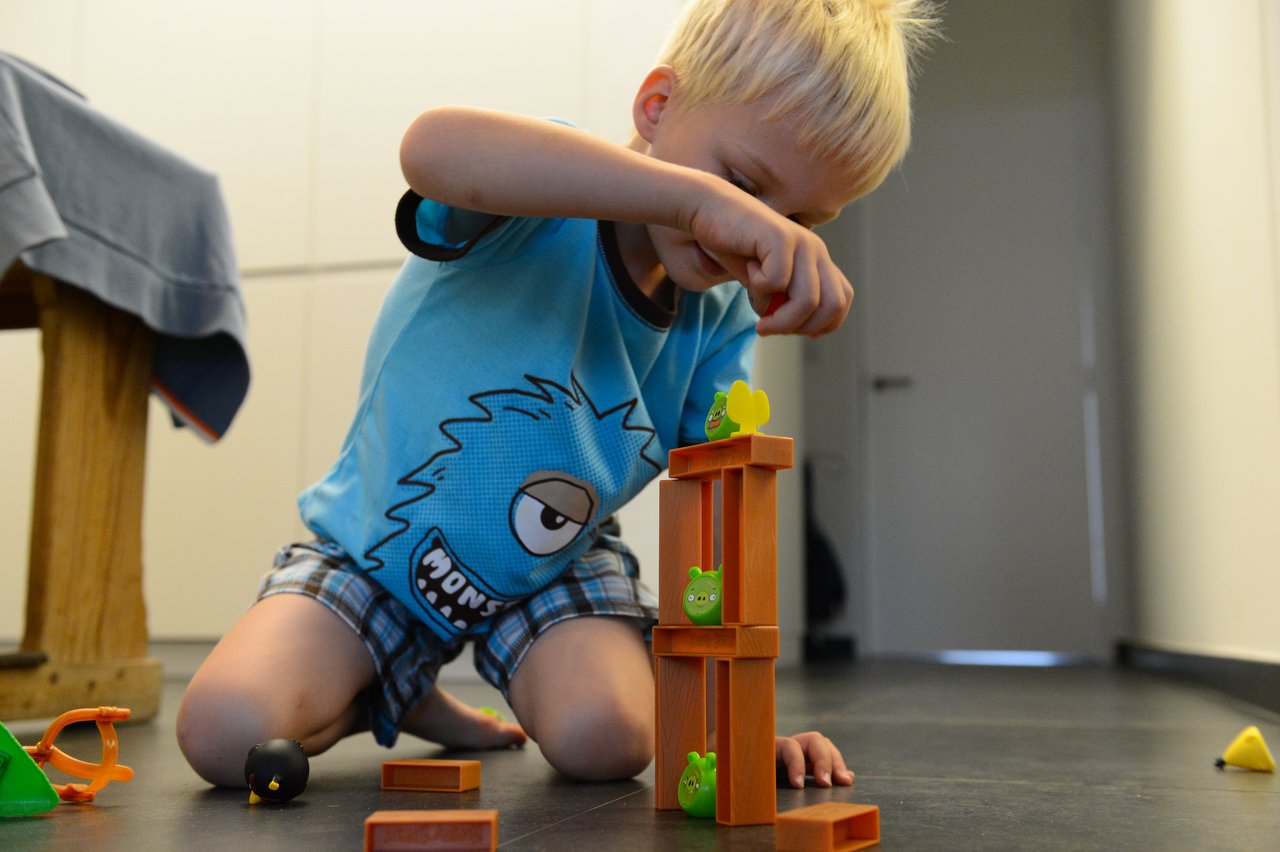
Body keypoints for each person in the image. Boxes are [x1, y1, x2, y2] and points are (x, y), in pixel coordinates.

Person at [177, 0, 937, 790]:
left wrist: (729, 719)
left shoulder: (717, 319)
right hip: (376, 550)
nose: (755, 232)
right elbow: (429, 146)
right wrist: (691, 201)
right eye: (744, 187)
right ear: (656, 107)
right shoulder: (535, 198)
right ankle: (390, 687)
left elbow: (715, 516)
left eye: (799, 219)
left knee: (607, 739)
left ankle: (393, 680)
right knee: (223, 730)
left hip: (555, 571)